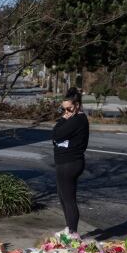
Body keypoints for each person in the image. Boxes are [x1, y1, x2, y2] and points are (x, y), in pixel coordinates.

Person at [52, 87, 89, 234]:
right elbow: (58, 136)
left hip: (70, 163)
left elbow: (56, 134)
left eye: (69, 109)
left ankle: (73, 233)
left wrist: (62, 119)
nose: (66, 112)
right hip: (65, 162)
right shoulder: (73, 118)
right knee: (63, 197)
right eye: (64, 109)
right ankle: (70, 229)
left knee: (68, 199)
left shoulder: (78, 120)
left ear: (77, 105)